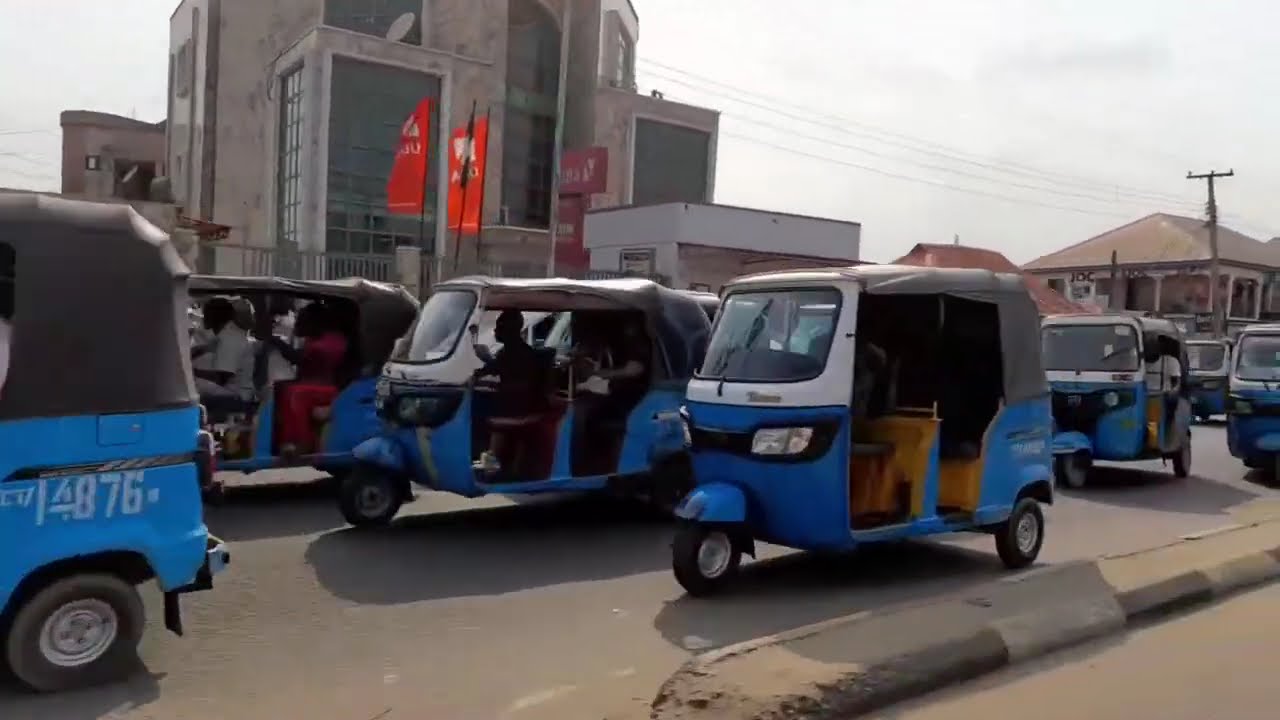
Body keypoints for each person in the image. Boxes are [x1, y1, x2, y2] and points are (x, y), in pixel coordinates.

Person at [271, 303, 350, 454]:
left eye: (302, 320)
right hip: (315, 385)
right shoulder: (314, 339)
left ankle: (301, 441)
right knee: (276, 389)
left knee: (296, 393)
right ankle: (277, 439)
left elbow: (299, 357)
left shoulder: (329, 341)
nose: (297, 325)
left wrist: (276, 341)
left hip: (333, 388)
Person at [474, 310, 545, 472]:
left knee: (485, 416)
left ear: (511, 329)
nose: (495, 330)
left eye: (500, 326)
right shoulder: (507, 351)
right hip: (513, 402)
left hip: (520, 407)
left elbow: (521, 384)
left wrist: (487, 361)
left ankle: (491, 466)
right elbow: (490, 371)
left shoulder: (520, 353)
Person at [194, 297, 255, 420]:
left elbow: (222, 377)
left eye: (206, 313)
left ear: (215, 316)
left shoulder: (230, 339)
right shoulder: (223, 335)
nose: (203, 316)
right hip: (231, 390)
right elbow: (202, 349)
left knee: (191, 395)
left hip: (237, 395)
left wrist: (194, 372)